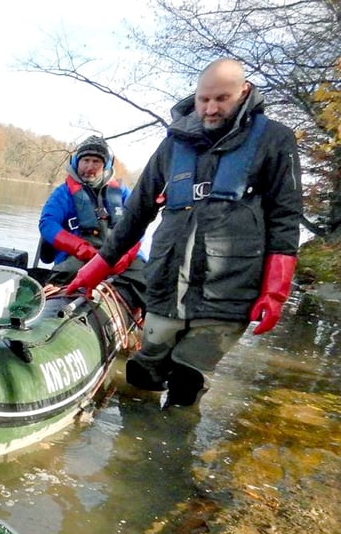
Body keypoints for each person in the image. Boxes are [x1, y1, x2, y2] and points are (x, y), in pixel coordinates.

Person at [65, 58, 302, 407]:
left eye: (222, 98)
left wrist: (276, 290)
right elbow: (138, 211)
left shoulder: (275, 140)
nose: (210, 108)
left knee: (187, 382)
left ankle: (177, 446)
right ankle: (132, 451)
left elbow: (286, 217)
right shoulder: (174, 143)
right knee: (142, 374)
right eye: (204, 99)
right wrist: (98, 265)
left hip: (230, 289)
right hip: (166, 281)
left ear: (244, 91)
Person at [38, 135, 145, 311]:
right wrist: (79, 247)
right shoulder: (63, 193)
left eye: (96, 161)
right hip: (78, 257)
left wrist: (126, 256)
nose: (89, 167)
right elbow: (47, 224)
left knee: (149, 279)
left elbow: (139, 224)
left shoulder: (123, 193)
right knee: (58, 280)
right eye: (85, 160)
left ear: (106, 165)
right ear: (76, 162)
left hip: (120, 256)